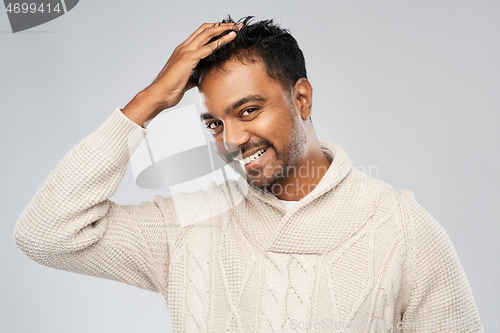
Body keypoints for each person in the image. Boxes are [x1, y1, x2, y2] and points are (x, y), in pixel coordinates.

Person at [14, 16, 483, 332]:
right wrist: (150, 100)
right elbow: (46, 233)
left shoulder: (399, 227)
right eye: (215, 123)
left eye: (249, 110)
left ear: (301, 99)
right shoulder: (186, 227)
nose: (232, 139)